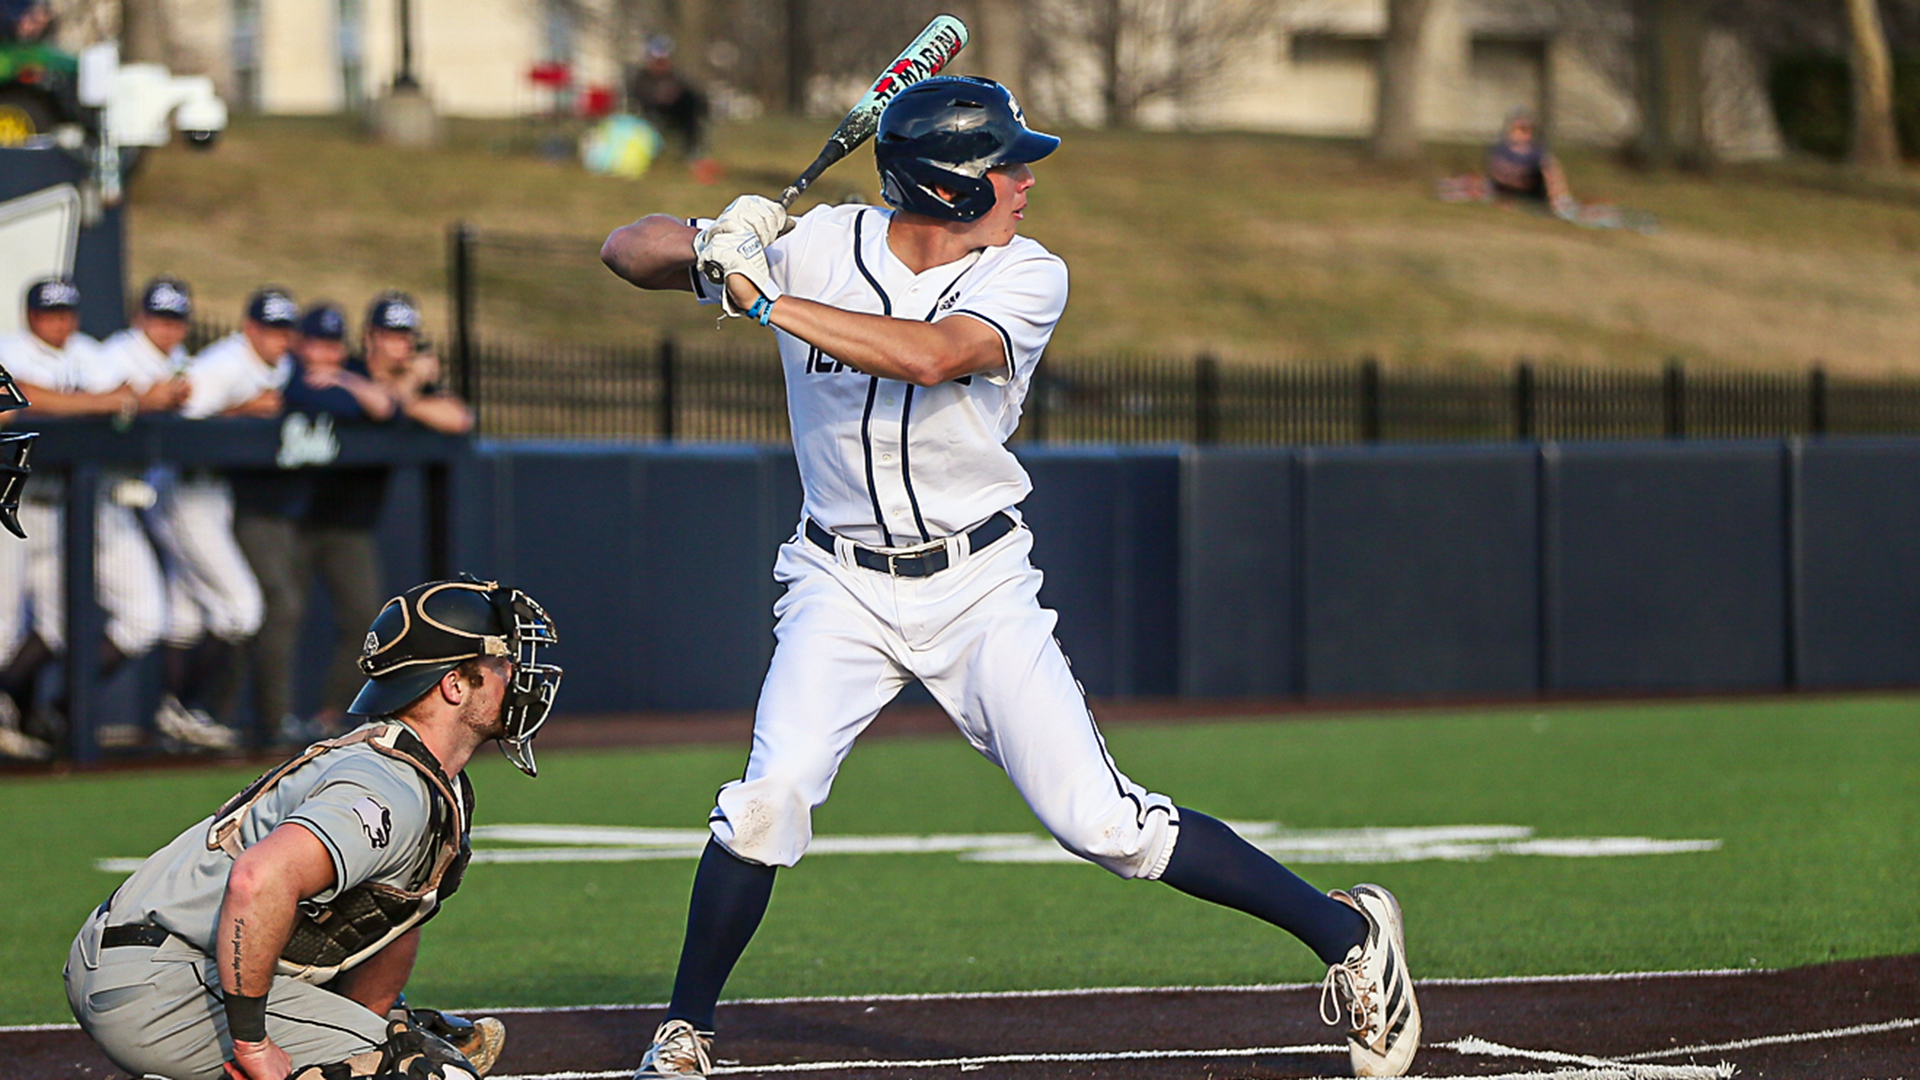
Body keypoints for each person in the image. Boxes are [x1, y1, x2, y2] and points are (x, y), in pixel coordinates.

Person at [600, 75, 1422, 1079]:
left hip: (977, 587)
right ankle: (686, 1029)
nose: (1025, 181)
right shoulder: (813, 242)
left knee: (1105, 824)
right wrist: (716, 234)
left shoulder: (1027, 274)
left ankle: (1348, 937)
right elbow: (623, 249)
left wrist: (767, 296)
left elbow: (934, 356)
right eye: (1005, 164)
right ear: (948, 185)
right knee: (764, 802)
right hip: (839, 582)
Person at [65, 575, 562, 1080]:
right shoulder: (388, 787)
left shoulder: (431, 781)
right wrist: (254, 1045)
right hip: (161, 980)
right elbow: (258, 879)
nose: (519, 675)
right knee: (426, 1073)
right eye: (502, 663)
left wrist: (362, 1032)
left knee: (411, 1044)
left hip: (176, 961)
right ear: (454, 685)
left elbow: (391, 920)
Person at [0, 278, 168, 760]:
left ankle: (34, 714)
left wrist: (108, 399)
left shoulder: (88, 352)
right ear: (29, 315)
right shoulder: (11, 347)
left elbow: (129, 390)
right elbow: (19, 396)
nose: (60, 322)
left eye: (66, 312)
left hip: (70, 505)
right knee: (3, 626)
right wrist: (96, 404)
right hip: (16, 499)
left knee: (58, 623)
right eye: (50, 313)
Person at [99, 276, 266, 751]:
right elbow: (182, 427)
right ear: (140, 317)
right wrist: (243, 410)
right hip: (158, 492)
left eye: (176, 319)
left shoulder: (180, 361)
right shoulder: (115, 356)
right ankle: (180, 707)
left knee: (184, 617)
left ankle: (175, 713)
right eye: (159, 317)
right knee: (241, 609)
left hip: (181, 491)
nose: (169, 328)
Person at [242, 302, 396, 745]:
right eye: (317, 344)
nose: (325, 355)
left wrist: (347, 381)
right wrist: (345, 392)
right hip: (279, 514)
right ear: (299, 343)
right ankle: (272, 722)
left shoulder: (348, 370)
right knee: (276, 612)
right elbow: (297, 396)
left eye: (333, 345)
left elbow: (386, 408)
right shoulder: (284, 370)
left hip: (329, 516)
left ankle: (332, 718)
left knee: (364, 616)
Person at [361, 292, 473, 435]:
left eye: (407, 338)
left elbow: (459, 419)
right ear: (371, 338)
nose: (403, 346)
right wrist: (411, 381)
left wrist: (408, 402)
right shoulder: (356, 372)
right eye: (394, 338)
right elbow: (383, 405)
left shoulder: (420, 384)